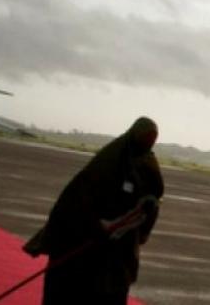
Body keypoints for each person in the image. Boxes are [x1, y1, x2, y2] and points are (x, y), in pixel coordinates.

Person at [24, 117, 164, 304]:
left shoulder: (148, 166)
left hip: (118, 249)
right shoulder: (109, 161)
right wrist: (96, 226)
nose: (148, 143)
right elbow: (76, 200)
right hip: (85, 240)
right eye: (145, 138)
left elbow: (153, 201)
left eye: (152, 140)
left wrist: (139, 229)